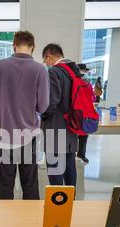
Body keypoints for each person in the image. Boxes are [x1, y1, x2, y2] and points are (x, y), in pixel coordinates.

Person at [0, 31, 49, 199]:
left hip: (5, 135)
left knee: (6, 185)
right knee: (30, 184)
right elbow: (43, 107)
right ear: (33, 47)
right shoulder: (40, 69)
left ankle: (6, 222)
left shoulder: (1, 66)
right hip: (29, 136)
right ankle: (30, 222)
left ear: (13, 45)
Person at [41, 43, 80, 187]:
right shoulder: (74, 71)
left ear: (49, 56)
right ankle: (70, 202)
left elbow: (51, 102)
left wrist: (43, 116)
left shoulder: (54, 72)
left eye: (45, 61)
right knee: (70, 167)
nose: (46, 64)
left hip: (55, 128)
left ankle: (58, 203)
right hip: (71, 127)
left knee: (55, 169)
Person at [76, 64, 95, 164]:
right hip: (76, 113)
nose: (84, 73)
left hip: (84, 113)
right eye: (82, 70)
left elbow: (93, 98)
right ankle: (74, 154)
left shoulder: (88, 85)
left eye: (84, 71)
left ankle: (81, 154)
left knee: (83, 135)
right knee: (75, 134)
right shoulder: (74, 83)